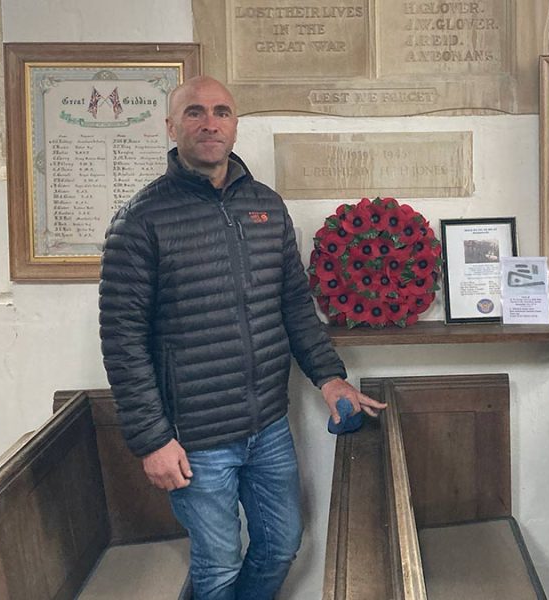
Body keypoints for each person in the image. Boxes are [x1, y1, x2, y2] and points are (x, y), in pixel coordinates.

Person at [99, 75, 386, 600]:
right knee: (218, 567)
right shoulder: (141, 221)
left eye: (222, 112)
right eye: (195, 112)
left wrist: (330, 379)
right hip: (194, 436)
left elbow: (295, 307)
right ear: (171, 125)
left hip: (267, 425)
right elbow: (122, 340)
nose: (210, 122)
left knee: (281, 544)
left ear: (235, 124)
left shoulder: (266, 207)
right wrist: (152, 440)